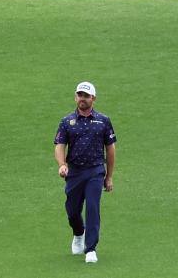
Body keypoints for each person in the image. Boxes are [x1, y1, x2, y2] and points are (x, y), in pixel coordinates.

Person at [54, 82, 116, 264]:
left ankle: (91, 248)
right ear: (76, 97)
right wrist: (62, 164)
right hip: (74, 172)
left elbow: (111, 149)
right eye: (80, 95)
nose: (82, 98)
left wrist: (109, 176)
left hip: (95, 171)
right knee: (72, 211)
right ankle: (78, 233)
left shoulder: (103, 121)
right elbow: (59, 146)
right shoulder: (66, 122)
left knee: (92, 207)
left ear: (93, 99)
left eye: (86, 95)